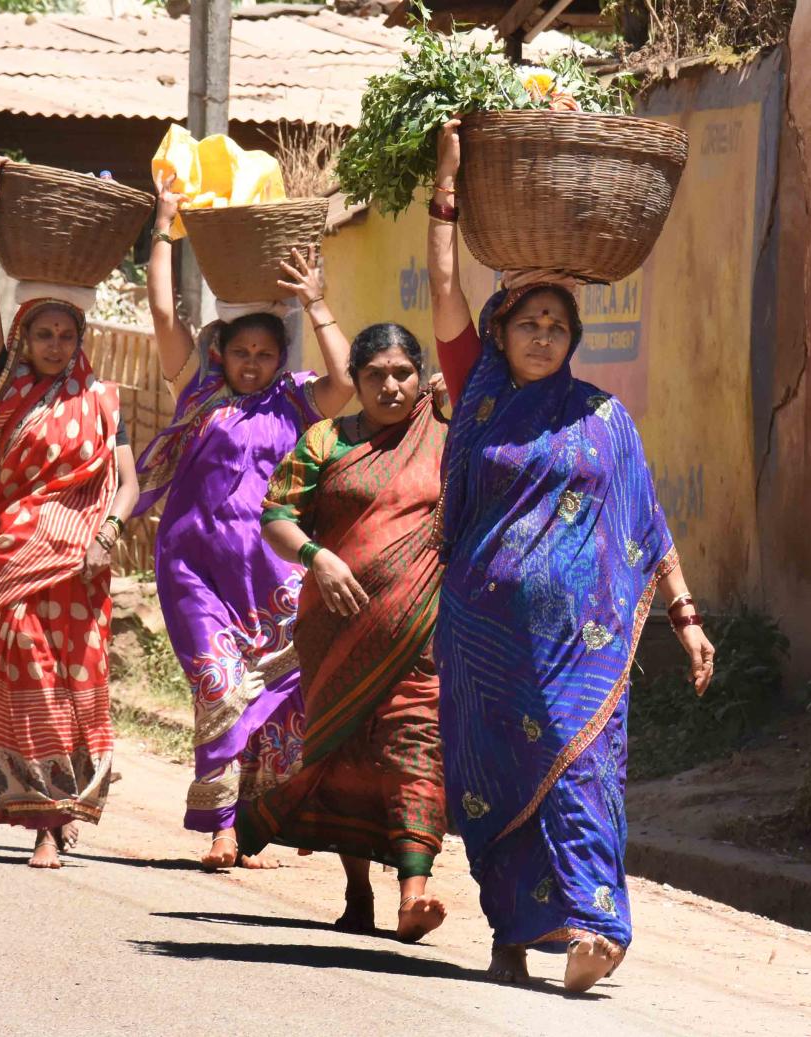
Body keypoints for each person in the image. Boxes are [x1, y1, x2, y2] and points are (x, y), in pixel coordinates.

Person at [428, 120, 716, 992]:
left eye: (559, 323)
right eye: (530, 320)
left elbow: (648, 522)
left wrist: (686, 614)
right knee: (493, 781)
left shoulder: (603, 418)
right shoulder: (475, 392)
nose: (545, 334)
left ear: (574, 337)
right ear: (503, 328)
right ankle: (512, 932)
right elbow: (443, 286)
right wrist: (447, 184)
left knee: (583, 767)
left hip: (580, 650)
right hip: (482, 642)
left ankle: (596, 924)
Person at [134, 178, 356, 870]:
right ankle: (222, 827)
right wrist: (165, 228)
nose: (253, 363)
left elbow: (348, 380)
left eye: (265, 353)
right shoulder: (196, 392)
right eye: (242, 353)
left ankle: (256, 819)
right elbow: (163, 311)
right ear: (221, 353)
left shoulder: (295, 402)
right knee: (220, 687)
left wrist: (315, 303)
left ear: (279, 357)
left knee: (285, 689)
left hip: (268, 574)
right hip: (193, 570)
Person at [240, 323, 449, 942]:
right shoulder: (325, 440)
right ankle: (358, 891)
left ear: (420, 374)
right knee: (342, 753)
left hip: (420, 632)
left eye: (402, 372)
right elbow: (276, 515)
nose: (390, 385)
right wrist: (317, 558)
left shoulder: (444, 434)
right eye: (375, 374)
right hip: (333, 630)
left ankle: (414, 891)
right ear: (355, 381)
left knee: (416, 745)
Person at [0, 156, 140, 870]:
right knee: (26, 675)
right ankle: (41, 815)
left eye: (67, 334)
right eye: (42, 334)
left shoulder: (103, 400)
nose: (56, 345)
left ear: (80, 337)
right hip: (14, 555)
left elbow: (128, 481)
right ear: (23, 336)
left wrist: (107, 531)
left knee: (71, 680)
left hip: (80, 564)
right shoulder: (3, 386)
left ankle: (63, 807)